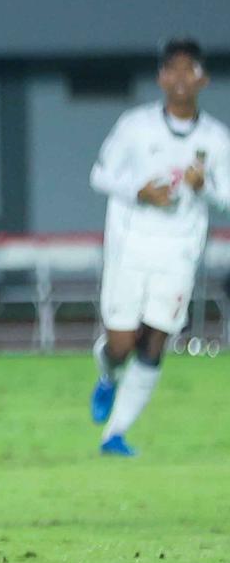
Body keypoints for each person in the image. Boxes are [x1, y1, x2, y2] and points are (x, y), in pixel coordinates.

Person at [89, 36, 230, 456]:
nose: (182, 77)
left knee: (155, 340)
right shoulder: (135, 126)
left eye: (191, 69)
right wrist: (139, 191)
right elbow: (99, 175)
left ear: (203, 79)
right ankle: (108, 377)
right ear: (161, 77)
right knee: (121, 343)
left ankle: (114, 434)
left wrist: (204, 187)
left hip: (179, 254)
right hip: (130, 246)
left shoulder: (217, 139)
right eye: (174, 69)